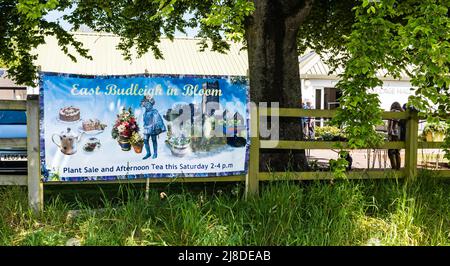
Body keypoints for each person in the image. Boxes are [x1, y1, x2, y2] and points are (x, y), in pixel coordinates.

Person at [388, 102, 403, 169]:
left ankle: (394, 167)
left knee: (391, 152)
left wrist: (389, 134)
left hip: (393, 134)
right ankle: (398, 168)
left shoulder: (392, 112)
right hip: (399, 135)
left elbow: (390, 126)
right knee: (397, 152)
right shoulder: (402, 113)